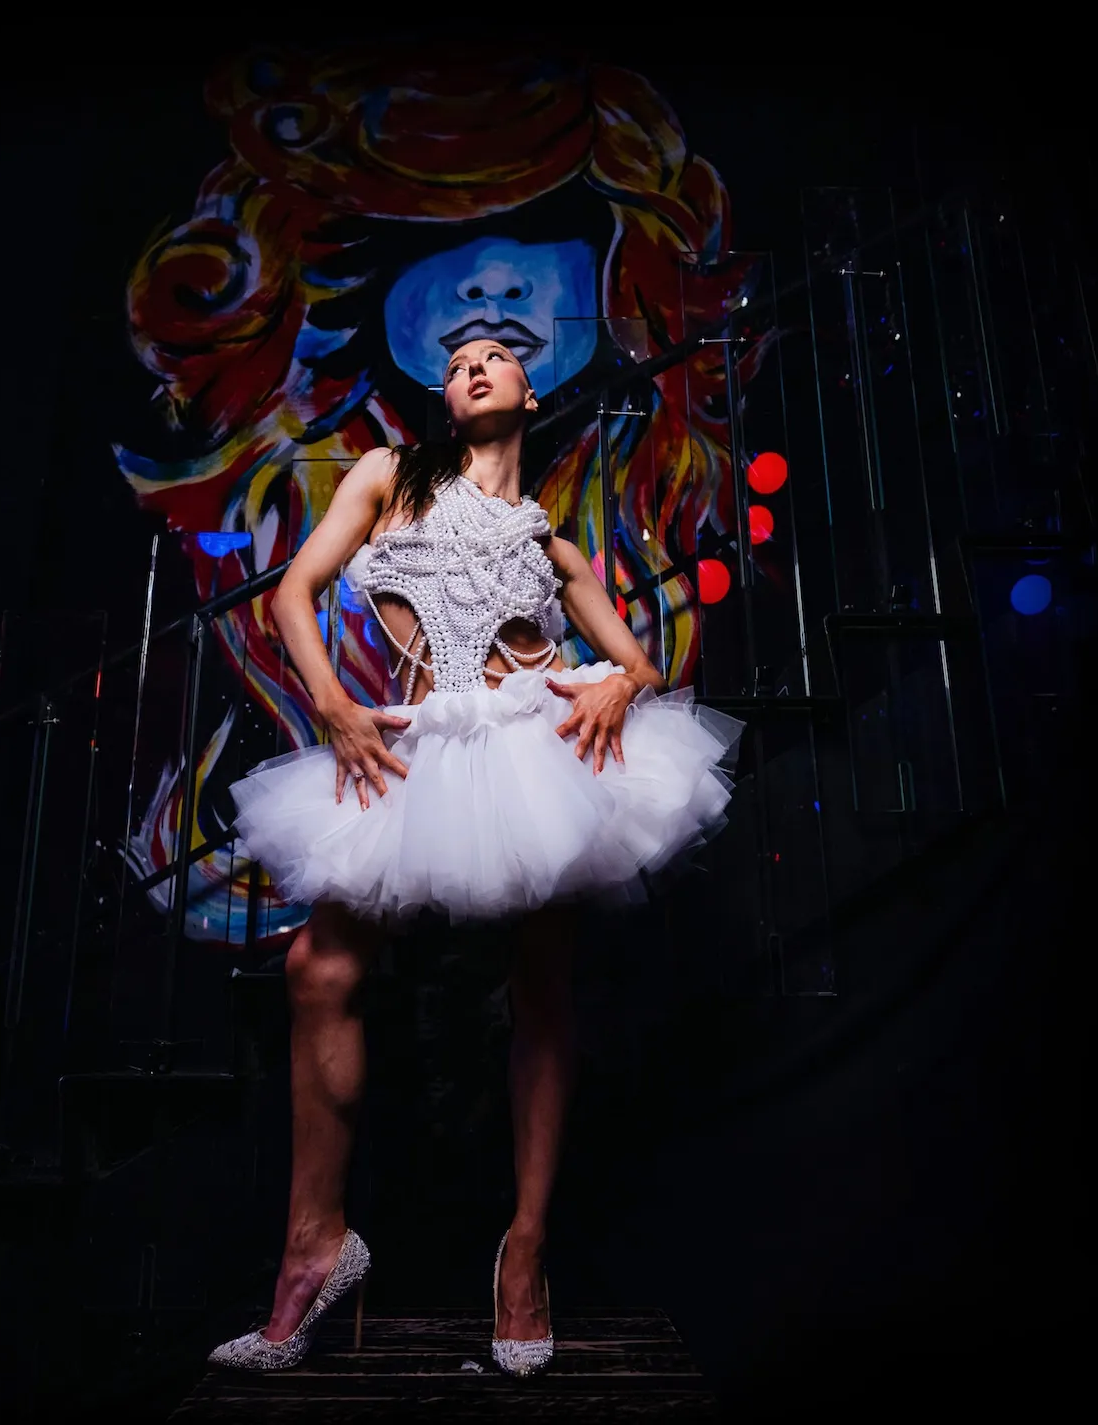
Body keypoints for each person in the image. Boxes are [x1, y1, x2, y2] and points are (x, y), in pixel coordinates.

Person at [206, 335, 743, 1377]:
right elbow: (290, 596)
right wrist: (334, 707)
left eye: (498, 357)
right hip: (419, 743)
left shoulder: (551, 543)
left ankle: (526, 1254)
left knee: (540, 990)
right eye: (458, 365)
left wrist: (613, 686)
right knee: (321, 968)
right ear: (447, 402)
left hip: (536, 751)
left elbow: (635, 661)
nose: (478, 367)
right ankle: (317, 1242)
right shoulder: (387, 478)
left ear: (531, 391)